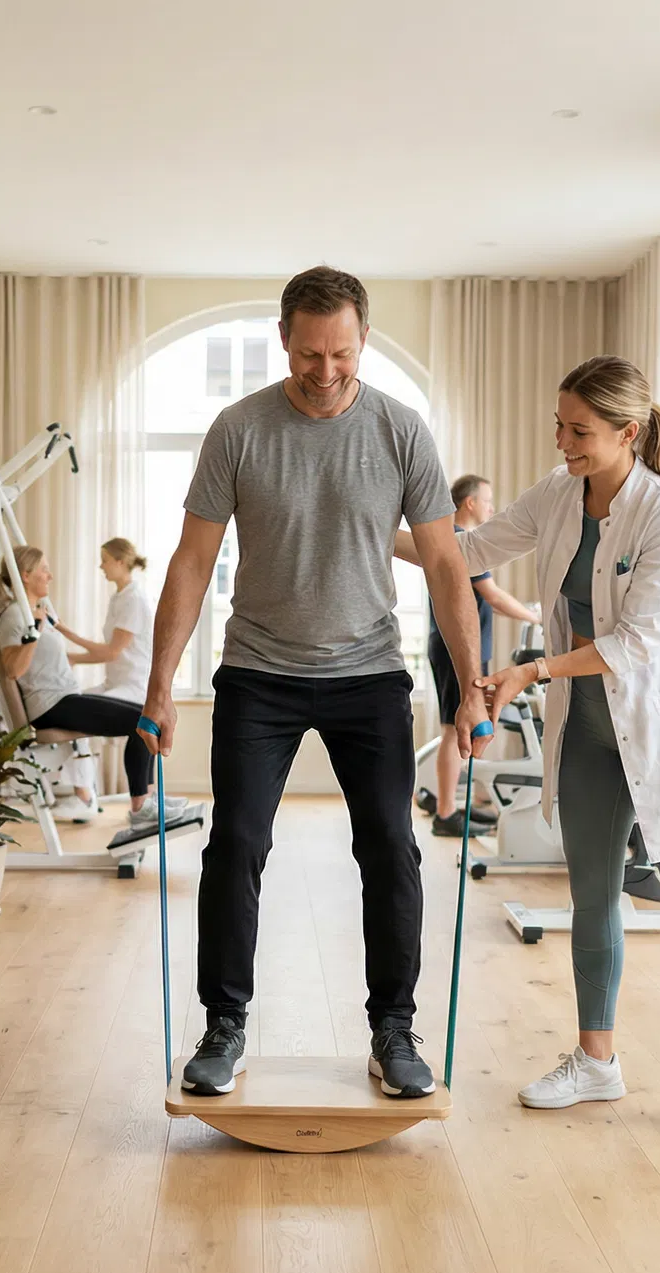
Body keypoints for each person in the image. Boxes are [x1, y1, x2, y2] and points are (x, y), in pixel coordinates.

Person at [139, 266, 493, 1099]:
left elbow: (445, 564)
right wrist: (159, 687)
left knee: (391, 849)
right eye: (308, 354)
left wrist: (471, 682)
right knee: (237, 846)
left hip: (369, 671)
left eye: (341, 353)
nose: (325, 371)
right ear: (283, 341)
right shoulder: (239, 429)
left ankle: (393, 1029)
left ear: (363, 340)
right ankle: (224, 1025)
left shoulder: (402, 431)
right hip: (259, 672)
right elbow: (193, 563)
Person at [398, 354, 660, 1149]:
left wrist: (529, 668)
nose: (562, 441)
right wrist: (369, 528)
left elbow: (638, 639)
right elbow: (471, 549)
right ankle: (596, 1060)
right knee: (593, 897)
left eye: (580, 430)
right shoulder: (562, 495)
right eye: (559, 425)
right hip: (589, 734)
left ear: (627, 432)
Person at [0, 546, 184, 829]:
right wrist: (33, 633)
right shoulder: (14, 616)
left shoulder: (37, 611)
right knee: (140, 721)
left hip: (64, 697)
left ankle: (147, 800)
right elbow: (12, 670)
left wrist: (45, 627)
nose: (50, 575)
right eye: (44, 570)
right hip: (49, 705)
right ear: (25, 575)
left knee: (149, 715)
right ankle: (140, 805)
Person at [424, 474, 537, 837]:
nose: (491, 508)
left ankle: (457, 806)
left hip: (460, 646)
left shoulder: (459, 540)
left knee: (462, 727)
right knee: (452, 729)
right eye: (487, 501)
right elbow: (494, 596)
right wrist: (536, 616)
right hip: (455, 648)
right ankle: (446, 813)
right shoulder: (461, 543)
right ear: (469, 503)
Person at [46, 538, 157, 821]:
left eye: (105, 560)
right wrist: (67, 646)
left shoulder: (133, 599)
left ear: (120, 562)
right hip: (115, 683)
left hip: (133, 687)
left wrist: (63, 635)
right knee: (75, 708)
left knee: (100, 718)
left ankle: (127, 801)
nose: (101, 566)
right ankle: (85, 794)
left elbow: (110, 652)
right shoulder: (119, 597)